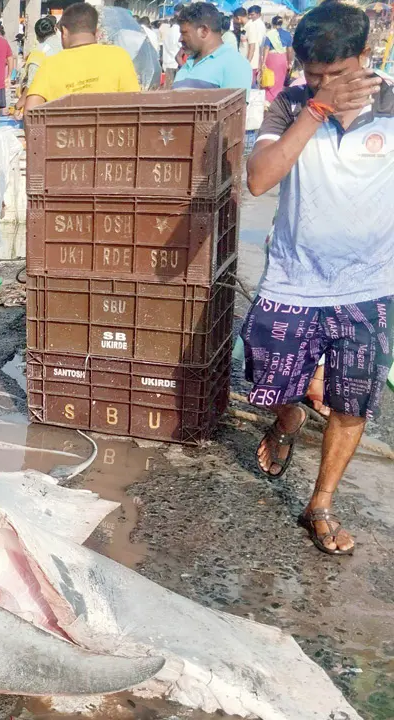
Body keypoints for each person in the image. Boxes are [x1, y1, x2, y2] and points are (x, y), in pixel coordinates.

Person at [243, 1, 389, 556]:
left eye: (335, 73)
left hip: (371, 284)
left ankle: (320, 503)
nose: (322, 83)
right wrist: (316, 108)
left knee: (352, 403)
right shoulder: (290, 104)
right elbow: (259, 180)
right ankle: (286, 418)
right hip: (292, 277)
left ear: (364, 57)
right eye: (312, 74)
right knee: (266, 375)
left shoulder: (393, 102)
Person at [24, 3, 139, 112]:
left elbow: (30, 111)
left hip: (62, 132)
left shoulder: (50, 64)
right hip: (114, 132)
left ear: (64, 31)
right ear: (96, 31)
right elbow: (135, 103)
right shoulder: (119, 56)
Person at [174, 2, 253, 91]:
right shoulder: (188, 64)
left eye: (184, 33)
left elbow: (235, 104)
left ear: (203, 31)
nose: (180, 39)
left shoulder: (234, 64)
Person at [20, 15, 60, 114]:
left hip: (45, 100)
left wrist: (20, 103)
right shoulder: (66, 45)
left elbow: (31, 82)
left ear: (37, 34)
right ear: (55, 29)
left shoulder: (39, 52)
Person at [261, 15, 292, 101]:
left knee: (270, 79)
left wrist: (263, 62)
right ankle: (277, 98)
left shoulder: (270, 34)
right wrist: (289, 61)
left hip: (271, 59)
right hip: (282, 58)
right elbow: (289, 50)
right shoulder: (287, 34)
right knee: (280, 80)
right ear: (281, 23)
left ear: (272, 23)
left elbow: (266, 48)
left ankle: (268, 99)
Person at [243, 5, 267, 78]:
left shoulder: (259, 25)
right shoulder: (251, 23)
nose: (250, 16)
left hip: (255, 56)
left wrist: (260, 61)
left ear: (259, 14)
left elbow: (260, 44)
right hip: (249, 54)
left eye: (252, 14)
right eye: (249, 14)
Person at [161, 16, 183, 86]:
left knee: (168, 88)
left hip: (166, 62)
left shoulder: (167, 31)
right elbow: (181, 47)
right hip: (175, 64)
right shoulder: (178, 32)